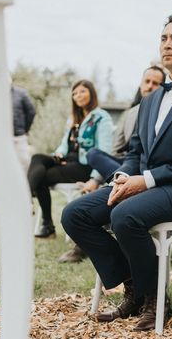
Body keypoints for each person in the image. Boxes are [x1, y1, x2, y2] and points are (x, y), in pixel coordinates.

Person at [61, 14, 172, 331]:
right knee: (75, 214)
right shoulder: (151, 99)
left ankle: (157, 300)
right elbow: (136, 152)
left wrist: (148, 179)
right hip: (146, 187)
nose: (167, 44)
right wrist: (123, 178)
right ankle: (133, 285)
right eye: (163, 38)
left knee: (124, 215)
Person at [58, 66, 165, 263]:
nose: (149, 86)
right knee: (95, 155)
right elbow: (115, 150)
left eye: (155, 83)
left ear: (163, 86)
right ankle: (113, 184)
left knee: (105, 191)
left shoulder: (167, 112)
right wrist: (101, 177)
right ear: (140, 84)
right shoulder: (131, 113)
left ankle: (82, 245)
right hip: (125, 163)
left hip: (150, 170)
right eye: (146, 81)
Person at [28, 80, 113, 238]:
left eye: (82, 91)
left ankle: (47, 225)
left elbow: (104, 151)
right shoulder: (73, 118)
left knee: (40, 176)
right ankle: (27, 199)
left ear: (91, 93)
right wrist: (59, 153)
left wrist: (96, 178)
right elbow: (64, 144)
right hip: (68, 160)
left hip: (86, 166)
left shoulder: (102, 118)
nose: (77, 95)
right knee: (37, 158)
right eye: (74, 93)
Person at [11, 83, 36, 173]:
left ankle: (26, 185)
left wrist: (25, 129)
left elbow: (31, 111)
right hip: (2, 137)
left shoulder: (21, 93)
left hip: (19, 135)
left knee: (25, 161)